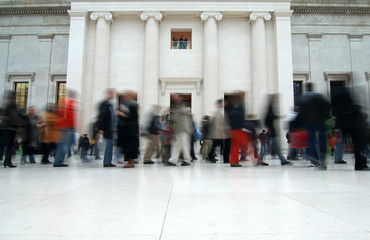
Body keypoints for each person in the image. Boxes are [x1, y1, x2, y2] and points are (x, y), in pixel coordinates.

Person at [331, 86, 369, 171]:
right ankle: (361, 164)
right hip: (353, 124)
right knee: (359, 143)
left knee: (340, 143)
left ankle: (338, 158)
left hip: (341, 124)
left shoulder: (336, 101)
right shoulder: (348, 103)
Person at [299, 82, 331, 170]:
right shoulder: (318, 96)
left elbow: (300, 113)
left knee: (311, 141)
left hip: (309, 123)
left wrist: (303, 122)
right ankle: (323, 159)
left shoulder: (303, 98)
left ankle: (314, 159)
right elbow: (328, 105)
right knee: (322, 141)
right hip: (320, 121)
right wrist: (325, 115)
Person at [260, 94, 292, 166]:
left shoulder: (269, 108)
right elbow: (268, 118)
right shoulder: (270, 108)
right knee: (268, 148)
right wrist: (277, 116)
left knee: (275, 148)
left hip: (271, 131)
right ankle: (260, 159)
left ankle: (283, 160)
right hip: (271, 132)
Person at [53, 89, 78, 167]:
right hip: (66, 127)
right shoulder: (69, 103)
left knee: (63, 145)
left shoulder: (66, 102)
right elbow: (69, 117)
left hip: (65, 127)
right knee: (63, 145)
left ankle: (59, 160)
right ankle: (58, 161)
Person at [2, 91, 27, 168]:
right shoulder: (12, 105)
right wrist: (22, 123)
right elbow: (15, 116)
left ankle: (7, 161)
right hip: (10, 128)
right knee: (9, 145)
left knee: (8, 145)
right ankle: (7, 161)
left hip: (9, 128)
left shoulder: (9, 105)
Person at [166, 94, 192, 166]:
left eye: (176, 96)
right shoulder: (176, 107)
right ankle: (173, 160)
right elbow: (174, 117)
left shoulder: (182, 106)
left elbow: (184, 111)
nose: (174, 98)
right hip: (178, 129)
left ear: (179, 97)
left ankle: (187, 160)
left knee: (184, 145)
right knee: (177, 145)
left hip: (183, 129)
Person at [117, 90, 139, 168]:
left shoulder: (132, 105)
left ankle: (131, 162)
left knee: (130, 146)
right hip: (129, 129)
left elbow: (131, 117)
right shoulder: (129, 105)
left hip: (130, 129)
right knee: (128, 145)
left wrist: (121, 114)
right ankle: (130, 161)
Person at [97, 89, 117, 168]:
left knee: (110, 145)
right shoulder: (104, 104)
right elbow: (101, 116)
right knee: (108, 145)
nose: (113, 95)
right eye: (112, 93)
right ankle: (106, 162)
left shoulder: (110, 105)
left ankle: (108, 161)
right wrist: (101, 128)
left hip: (111, 129)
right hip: (107, 129)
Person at [208, 99, 230, 163]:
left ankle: (225, 159)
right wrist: (226, 128)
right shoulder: (220, 112)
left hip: (222, 133)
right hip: (221, 132)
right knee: (219, 145)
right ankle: (211, 156)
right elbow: (219, 123)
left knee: (219, 145)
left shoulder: (221, 111)